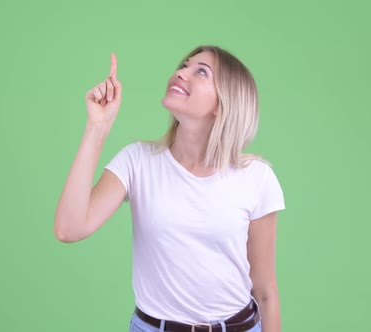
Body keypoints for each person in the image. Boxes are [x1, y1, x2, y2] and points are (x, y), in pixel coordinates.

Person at [54, 45, 285, 332]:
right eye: (183, 66)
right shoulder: (137, 161)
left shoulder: (256, 177)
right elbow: (69, 228)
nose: (180, 73)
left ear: (223, 103)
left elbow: (265, 292)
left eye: (200, 71)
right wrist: (97, 127)